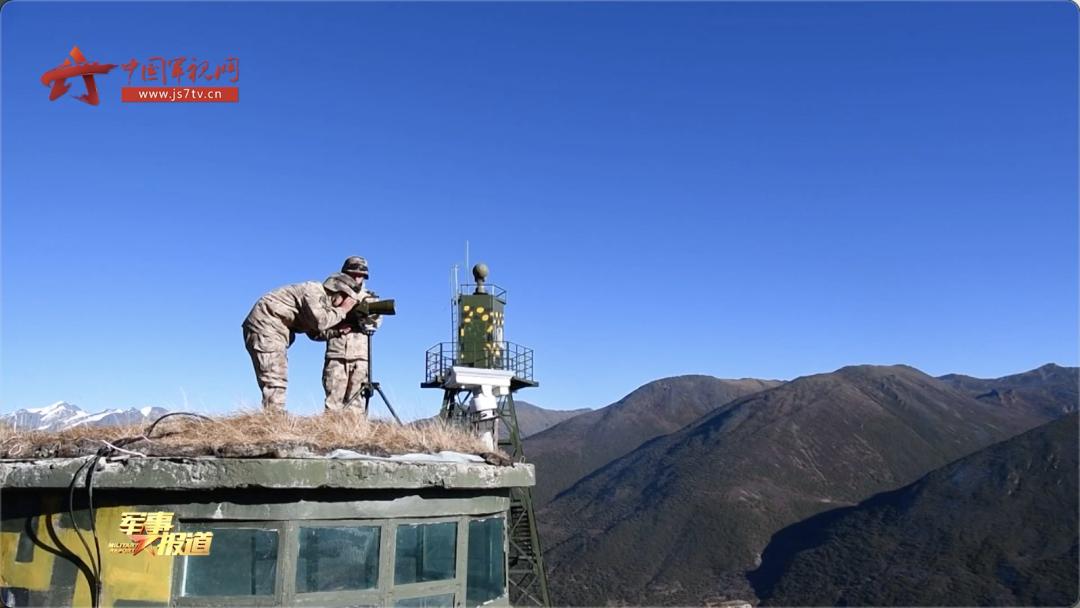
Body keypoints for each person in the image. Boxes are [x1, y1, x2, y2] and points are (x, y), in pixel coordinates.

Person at [242, 273, 359, 412]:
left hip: (272, 329)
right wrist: (343, 309)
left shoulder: (322, 302)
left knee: (275, 376)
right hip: (266, 326)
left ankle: (273, 417)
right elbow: (320, 322)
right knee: (275, 378)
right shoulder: (314, 291)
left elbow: (314, 333)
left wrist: (338, 331)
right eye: (345, 298)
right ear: (338, 291)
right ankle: (273, 420)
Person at [309, 257, 381, 412]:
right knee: (333, 404)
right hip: (336, 355)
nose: (356, 278)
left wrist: (363, 316)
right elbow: (318, 327)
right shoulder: (330, 296)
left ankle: (353, 435)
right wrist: (338, 321)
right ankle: (331, 435)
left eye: (360, 275)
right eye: (352, 274)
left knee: (355, 407)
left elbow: (373, 326)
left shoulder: (370, 298)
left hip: (360, 358)